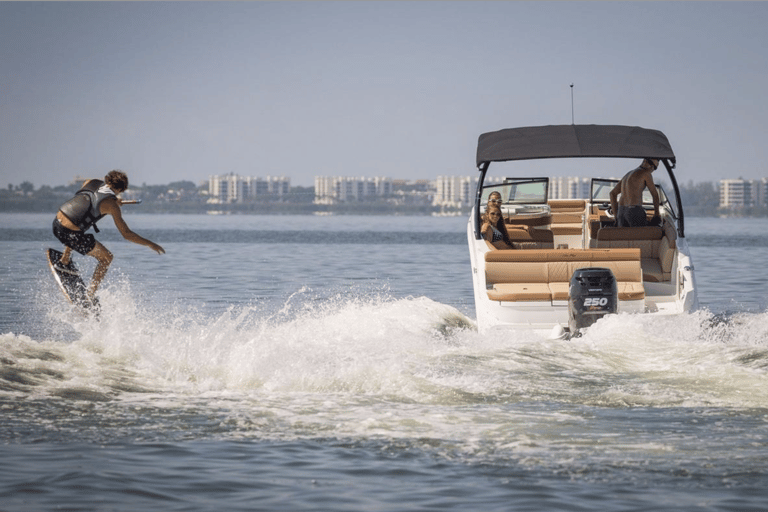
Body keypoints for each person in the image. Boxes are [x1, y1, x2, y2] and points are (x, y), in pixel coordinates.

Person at [52, 170, 165, 302]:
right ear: (120, 189)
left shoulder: (90, 182)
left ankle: (65, 259)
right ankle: (89, 296)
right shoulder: (112, 206)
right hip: (70, 235)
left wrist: (113, 200)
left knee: (81, 220)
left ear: (107, 180)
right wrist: (151, 244)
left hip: (56, 223)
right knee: (107, 258)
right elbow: (127, 234)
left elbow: (89, 201)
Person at [609, 158, 661, 227]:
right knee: (645, 235)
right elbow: (655, 195)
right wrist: (657, 214)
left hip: (621, 212)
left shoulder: (628, 174)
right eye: (652, 165)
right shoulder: (646, 173)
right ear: (644, 161)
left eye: (655, 168)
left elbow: (612, 194)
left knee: (625, 237)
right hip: (634, 211)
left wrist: (616, 217)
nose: (652, 169)